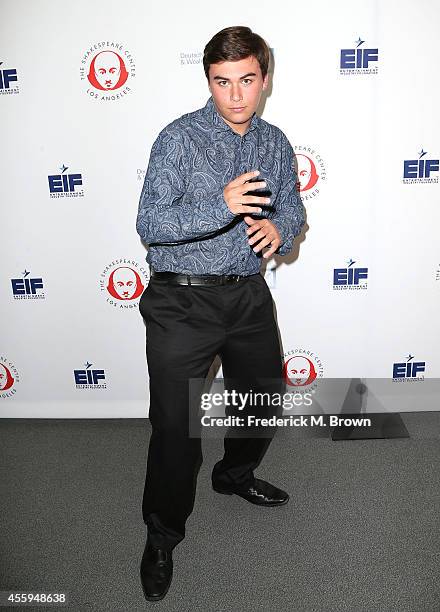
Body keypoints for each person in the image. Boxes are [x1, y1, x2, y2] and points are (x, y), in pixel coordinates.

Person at [136, 25, 305, 601]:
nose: (235, 95)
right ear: (208, 79)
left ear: (264, 78)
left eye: (247, 80)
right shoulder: (179, 139)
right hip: (182, 299)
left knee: (262, 397)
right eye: (221, 82)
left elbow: (292, 208)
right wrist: (223, 203)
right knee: (177, 428)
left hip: (248, 295)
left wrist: (282, 229)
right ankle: (162, 534)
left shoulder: (276, 142)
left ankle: (233, 477)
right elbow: (151, 225)